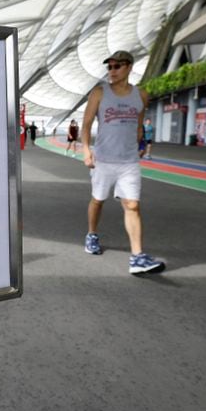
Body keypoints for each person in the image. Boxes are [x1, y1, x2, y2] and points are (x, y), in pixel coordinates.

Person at [81, 50, 165, 275]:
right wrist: (86, 150)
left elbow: (138, 125)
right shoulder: (99, 93)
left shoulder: (141, 95)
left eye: (117, 66)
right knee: (98, 200)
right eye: (109, 67)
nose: (112, 71)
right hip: (103, 159)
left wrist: (137, 147)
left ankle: (137, 257)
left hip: (129, 162)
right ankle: (92, 234)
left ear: (129, 67)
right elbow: (87, 124)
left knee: (132, 205)